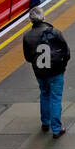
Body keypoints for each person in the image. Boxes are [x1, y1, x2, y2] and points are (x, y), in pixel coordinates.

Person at [22, 7, 69, 139]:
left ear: (31, 20)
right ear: (43, 18)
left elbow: (27, 57)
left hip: (39, 72)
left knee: (44, 94)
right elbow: (66, 52)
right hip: (56, 71)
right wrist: (63, 65)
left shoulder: (27, 36)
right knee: (55, 98)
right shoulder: (55, 32)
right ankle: (56, 129)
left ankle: (45, 122)